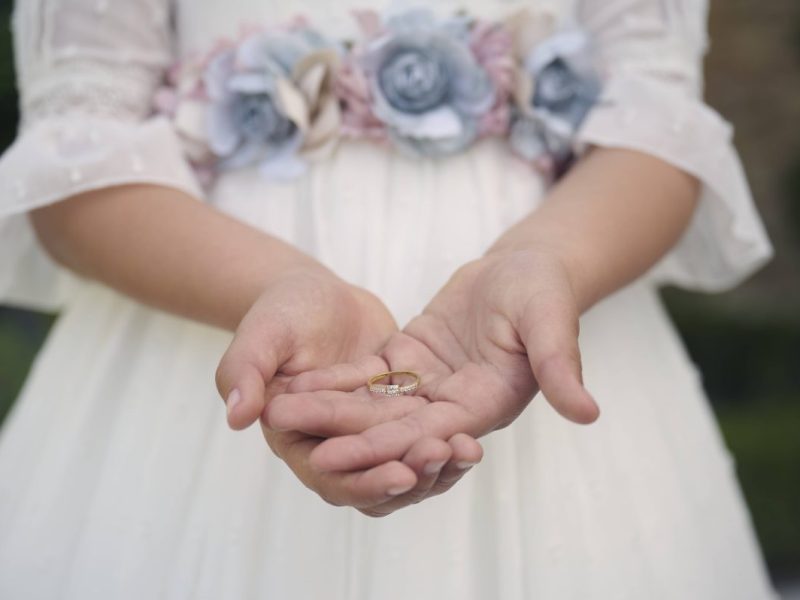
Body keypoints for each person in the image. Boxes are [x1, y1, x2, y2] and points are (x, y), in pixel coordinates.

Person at [0, 0, 779, 598]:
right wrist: (275, 284)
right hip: (210, 312)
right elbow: (73, 162)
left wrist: (546, 261)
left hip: (556, 296)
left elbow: (659, 128)